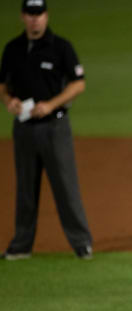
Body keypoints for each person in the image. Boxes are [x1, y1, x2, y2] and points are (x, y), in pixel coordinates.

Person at [0, 0, 92, 260]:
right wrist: (10, 101)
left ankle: (82, 243)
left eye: (38, 14)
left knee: (65, 186)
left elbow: (78, 84)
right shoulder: (13, 49)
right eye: (30, 14)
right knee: (25, 188)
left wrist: (50, 104)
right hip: (24, 128)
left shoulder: (60, 47)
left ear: (46, 16)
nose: (35, 19)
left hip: (55, 127)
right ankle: (21, 245)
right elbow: (3, 85)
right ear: (23, 17)